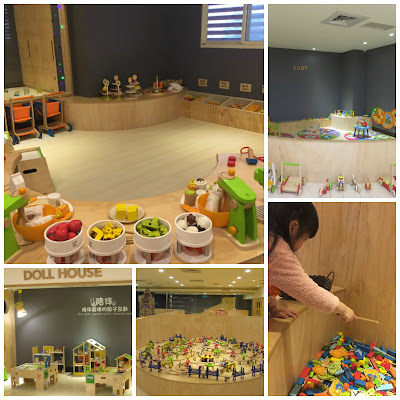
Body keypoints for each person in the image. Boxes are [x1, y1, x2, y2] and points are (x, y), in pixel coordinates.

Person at [268, 202, 356, 322]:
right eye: (304, 239)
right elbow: (306, 290)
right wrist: (343, 309)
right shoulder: (277, 251)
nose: (302, 244)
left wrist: (273, 308)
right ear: (293, 227)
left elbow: (269, 282)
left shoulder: (270, 236)